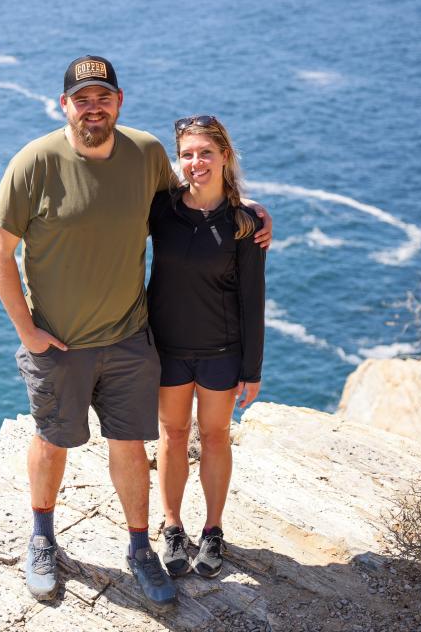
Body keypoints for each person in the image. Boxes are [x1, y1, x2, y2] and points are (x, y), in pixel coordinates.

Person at [0, 58, 271, 610]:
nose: (94, 107)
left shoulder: (144, 154)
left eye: (104, 97)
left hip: (128, 339)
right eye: (82, 98)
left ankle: (141, 548)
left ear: (119, 101)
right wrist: (28, 330)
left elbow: (192, 202)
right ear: (63, 104)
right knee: (52, 439)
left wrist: (251, 211)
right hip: (58, 342)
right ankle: (42, 537)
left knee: (131, 447)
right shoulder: (34, 162)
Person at [148, 115, 266, 581]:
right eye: (187, 154)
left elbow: (253, 299)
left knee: (215, 437)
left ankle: (213, 529)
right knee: (173, 435)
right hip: (169, 347)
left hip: (222, 350)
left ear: (224, 157)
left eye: (205, 153)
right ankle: (173, 526)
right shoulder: (161, 209)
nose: (195, 162)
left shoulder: (245, 223)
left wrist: (252, 368)